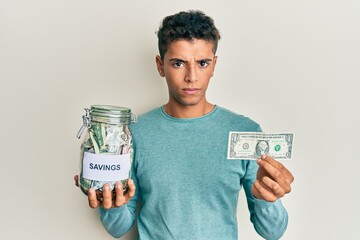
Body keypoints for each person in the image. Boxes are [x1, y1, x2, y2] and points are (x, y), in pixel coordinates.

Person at [75, 10, 294, 240]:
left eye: (202, 63)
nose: (191, 76)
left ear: (214, 65)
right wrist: (111, 202)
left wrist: (269, 199)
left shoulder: (246, 133)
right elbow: (118, 228)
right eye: (178, 63)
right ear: (160, 66)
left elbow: (272, 231)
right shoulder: (132, 134)